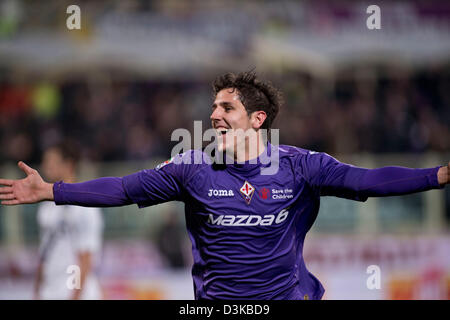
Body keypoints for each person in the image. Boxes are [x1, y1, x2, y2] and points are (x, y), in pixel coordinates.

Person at [0, 72, 448, 300]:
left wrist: (437, 176)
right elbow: (121, 189)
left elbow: (367, 181)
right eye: (213, 107)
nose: (214, 115)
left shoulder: (300, 167)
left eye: (226, 107)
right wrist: (52, 191)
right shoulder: (191, 168)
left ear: (257, 119)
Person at [32, 143, 103, 300]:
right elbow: (44, 250)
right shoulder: (45, 206)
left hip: (74, 290)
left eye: (51, 162)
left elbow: (85, 257)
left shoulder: (84, 204)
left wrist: (75, 295)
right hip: (49, 290)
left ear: (68, 164)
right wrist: (37, 289)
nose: (45, 167)